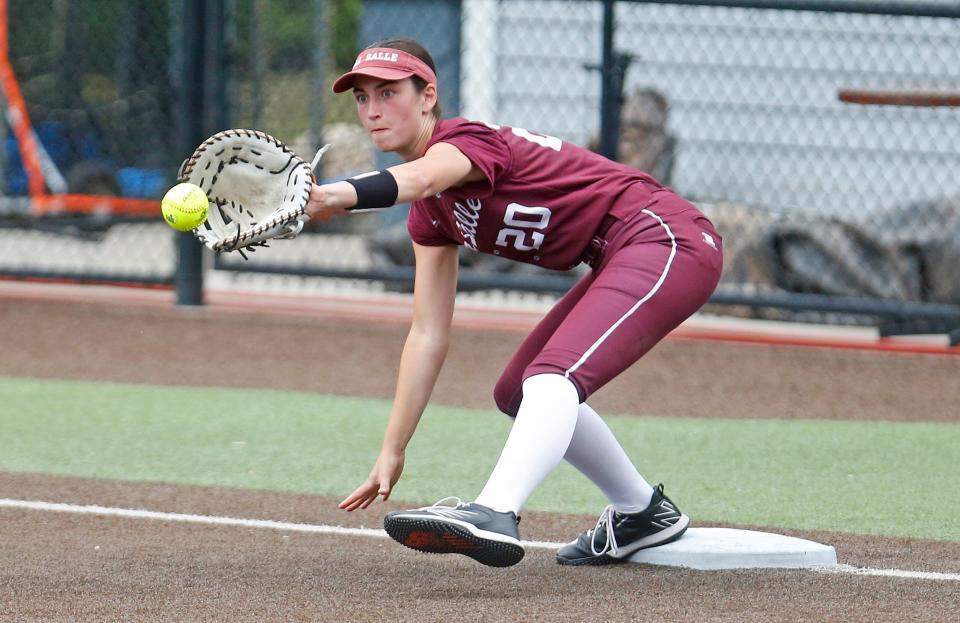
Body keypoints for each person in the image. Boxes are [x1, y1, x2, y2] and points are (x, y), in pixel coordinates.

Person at [305, 38, 723, 568]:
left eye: (389, 92)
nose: (373, 110)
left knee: (552, 377)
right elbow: (428, 334)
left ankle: (496, 511)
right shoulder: (430, 216)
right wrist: (394, 447)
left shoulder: (467, 141)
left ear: (428, 95)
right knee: (517, 392)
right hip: (620, 253)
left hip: (665, 235)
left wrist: (336, 195)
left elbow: (423, 176)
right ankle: (641, 512)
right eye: (362, 98)